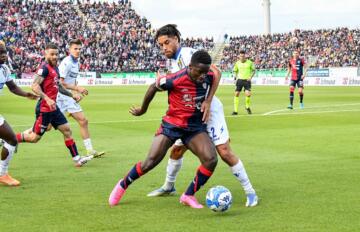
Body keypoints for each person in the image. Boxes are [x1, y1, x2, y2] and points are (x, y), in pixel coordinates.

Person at [146, 24, 258, 207]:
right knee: (176, 150)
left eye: (167, 42)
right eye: (161, 45)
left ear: (176, 39)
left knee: (224, 152)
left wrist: (208, 100)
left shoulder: (188, 55)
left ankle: (250, 192)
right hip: (191, 116)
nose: (164, 47)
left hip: (210, 112)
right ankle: (169, 186)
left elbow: (216, 72)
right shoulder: (175, 61)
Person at [109, 51, 218, 209]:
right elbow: (153, 87)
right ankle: (122, 185)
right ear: (190, 67)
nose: (203, 76)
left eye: (205, 72)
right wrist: (143, 109)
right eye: (199, 72)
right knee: (150, 162)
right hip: (172, 125)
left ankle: (188, 195)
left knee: (211, 160)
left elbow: (217, 73)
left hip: (194, 127)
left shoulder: (209, 75)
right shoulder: (174, 79)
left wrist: (208, 99)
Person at [15, 43, 93, 167]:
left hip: (54, 108)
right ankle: (11, 139)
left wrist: (71, 95)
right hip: (44, 109)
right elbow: (34, 86)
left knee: (67, 131)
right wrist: (46, 98)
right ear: (45, 53)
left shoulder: (55, 68)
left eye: (56, 54)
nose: (55, 56)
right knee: (35, 138)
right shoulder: (44, 68)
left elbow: (59, 86)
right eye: (52, 54)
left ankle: (77, 159)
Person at [57, 39, 104, 157]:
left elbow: (72, 80)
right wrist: (77, 89)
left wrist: (75, 94)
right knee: (45, 128)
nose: (78, 51)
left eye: (79, 49)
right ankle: (14, 138)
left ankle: (90, 150)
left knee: (83, 121)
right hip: (60, 96)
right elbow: (60, 83)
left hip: (68, 97)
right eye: (75, 49)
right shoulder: (66, 62)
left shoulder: (76, 63)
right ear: (69, 50)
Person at [0, 41, 38, 186]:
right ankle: (2, 174)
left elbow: (13, 87)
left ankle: (2, 174)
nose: (3, 55)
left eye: (4, 52)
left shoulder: (4, 69)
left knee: (11, 139)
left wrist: (26, 95)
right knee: (11, 139)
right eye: (0, 53)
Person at [232, 50, 256, 115]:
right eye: (241, 56)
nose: (242, 57)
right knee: (236, 94)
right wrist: (235, 78)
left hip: (247, 80)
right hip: (239, 80)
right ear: (239, 56)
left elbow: (254, 70)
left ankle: (247, 106)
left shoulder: (250, 62)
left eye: (243, 56)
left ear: (245, 56)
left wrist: (250, 77)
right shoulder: (237, 63)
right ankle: (235, 111)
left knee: (248, 94)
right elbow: (235, 71)